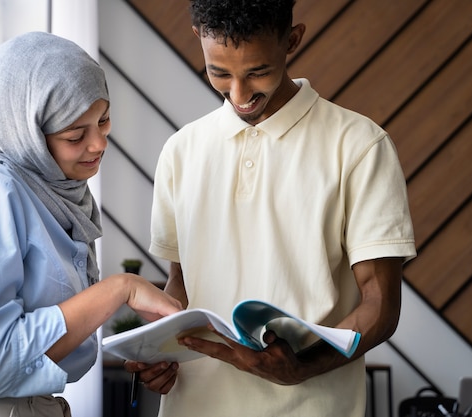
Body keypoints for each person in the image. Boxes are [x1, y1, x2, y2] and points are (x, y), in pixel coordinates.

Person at [124, 1, 417, 416]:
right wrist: (159, 350)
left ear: (292, 40)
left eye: (257, 72)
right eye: (219, 73)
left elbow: (381, 305)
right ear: (198, 39)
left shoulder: (360, 147)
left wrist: (304, 368)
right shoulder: (180, 151)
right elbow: (182, 285)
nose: (239, 95)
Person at [0, 31, 182, 417]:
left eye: (104, 120)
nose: (98, 143)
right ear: (26, 133)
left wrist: (148, 346)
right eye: (75, 134)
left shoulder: (59, 197)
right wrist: (121, 289)